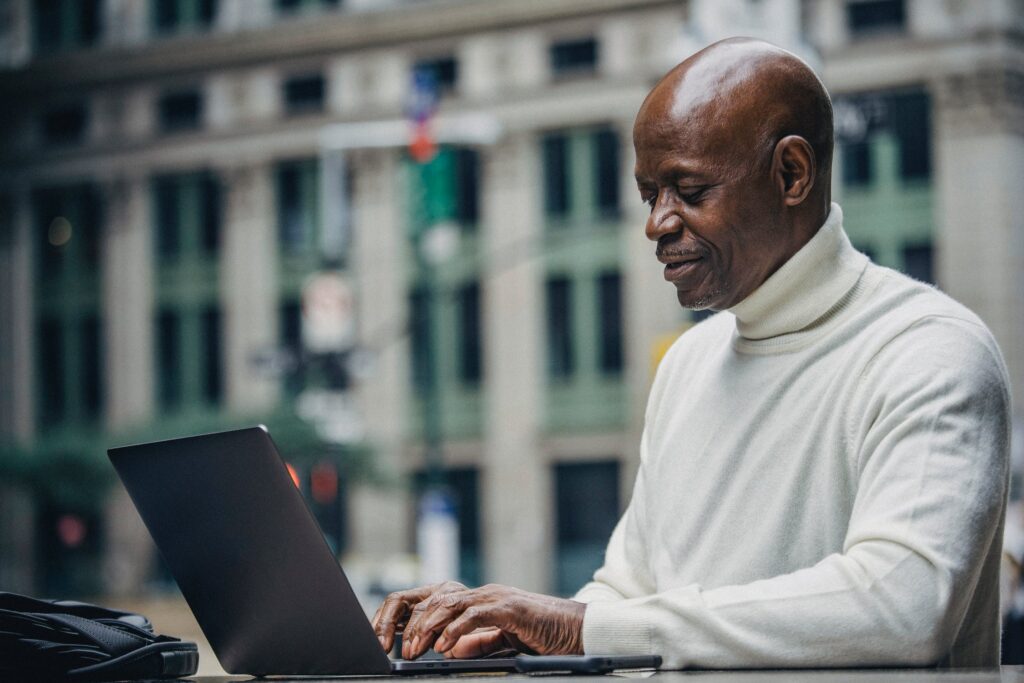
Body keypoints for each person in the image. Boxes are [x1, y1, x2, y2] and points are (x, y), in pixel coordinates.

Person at [373, 38, 1012, 668]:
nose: (657, 222)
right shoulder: (687, 363)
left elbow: (903, 607)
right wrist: (511, 633)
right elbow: (626, 598)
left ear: (792, 174)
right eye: (650, 194)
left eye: (689, 189)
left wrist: (579, 626)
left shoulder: (931, 351)